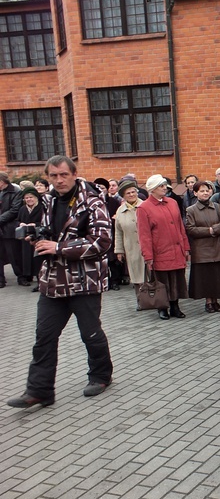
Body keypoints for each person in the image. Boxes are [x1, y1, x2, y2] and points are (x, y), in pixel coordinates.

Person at [7, 156, 113, 408]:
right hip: (53, 281)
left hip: (84, 281)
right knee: (44, 336)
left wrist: (59, 247)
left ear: (74, 174)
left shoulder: (93, 202)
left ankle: (101, 375)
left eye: (63, 174)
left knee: (90, 332)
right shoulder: (47, 201)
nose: (59, 180)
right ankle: (39, 390)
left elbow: (102, 243)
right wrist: (35, 238)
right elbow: (48, 235)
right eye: (53, 176)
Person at [137, 175, 191, 320]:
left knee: (176, 279)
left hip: (176, 248)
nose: (165, 188)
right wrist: (148, 256)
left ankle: (175, 306)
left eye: (165, 185)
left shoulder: (172, 202)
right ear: (153, 189)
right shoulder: (144, 208)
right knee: (162, 281)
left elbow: (180, 226)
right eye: (161, 186)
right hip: (160, 250)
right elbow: (144, 235)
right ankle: (162, 307)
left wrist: (185, 246)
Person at [186, 180, 220, 313]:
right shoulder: (191, 210)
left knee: (217, 275)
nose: (205, 193)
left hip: (218, 248)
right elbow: (190, 229)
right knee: (206, 276)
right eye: (202, 191)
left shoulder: (217, 207)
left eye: (207, 190)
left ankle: (216, 300)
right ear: (195, 193)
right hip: (202, 249)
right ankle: (208, 302)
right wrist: (209, 231)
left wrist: (213, 229)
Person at [114, 179, 146, 306]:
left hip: (147, 246)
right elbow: (118, 232)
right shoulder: (120, 211)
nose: (132, 195)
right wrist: (119, 250)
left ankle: (154, 299)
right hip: (131, 247)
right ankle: (141, 301)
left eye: (134, 192)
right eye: (128, 193)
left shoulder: (145, 206)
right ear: (123, 196)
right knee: (136, 275)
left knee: (150, 274)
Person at [17, 186, 44, 291]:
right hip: (25, 238)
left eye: (31, 197)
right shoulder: (23, 209)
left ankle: (40, 282)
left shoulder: (41, 208)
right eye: (27, 198)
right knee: (27, 259)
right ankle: (28, 276)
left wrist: (35, 224)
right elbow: (17, 220)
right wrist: (20, 223)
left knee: (38, 260)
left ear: (36, 197)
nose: (29, 199)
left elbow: (45, 222)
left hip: (38, 237)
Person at [0, 171, 23, 288]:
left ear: (2, 181)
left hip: (9, 227)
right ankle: (1, 280)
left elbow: (14, 210)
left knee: (14, 255)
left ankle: (21, 277)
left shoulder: (15, 191)